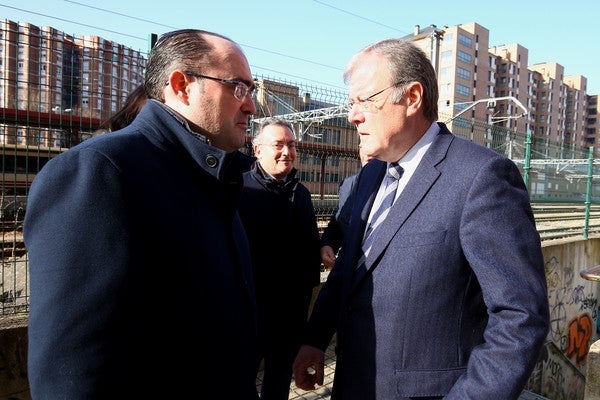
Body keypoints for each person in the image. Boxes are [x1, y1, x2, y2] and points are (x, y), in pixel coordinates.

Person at [292, 38, 549, 399]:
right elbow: (349, 270)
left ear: (412, 97)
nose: (353, 115)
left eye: (365, 100)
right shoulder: (370, 176)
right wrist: (315, 340)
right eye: (352, 103)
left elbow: (521, 318)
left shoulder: (482, 176)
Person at [24, 29, 260, 399]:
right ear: (181, 85)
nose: (251, 105)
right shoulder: (101, 172)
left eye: (252, 90)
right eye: (238, 87)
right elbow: (70, 373)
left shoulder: (214, 176)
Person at [239, 117, 321, 400]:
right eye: (278, 144)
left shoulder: (301, 194)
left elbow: (311, 246)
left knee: (278, 382)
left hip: (290, 315)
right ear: (257, 149)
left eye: (291, 145)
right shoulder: (239, 190)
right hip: (249, 313)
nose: (287, 152)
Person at [320, 146, 370, 269]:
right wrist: (328, 244)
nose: (369, 151)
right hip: (349, 268)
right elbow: (339, 220)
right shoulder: (348, 184)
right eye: (364, 146)